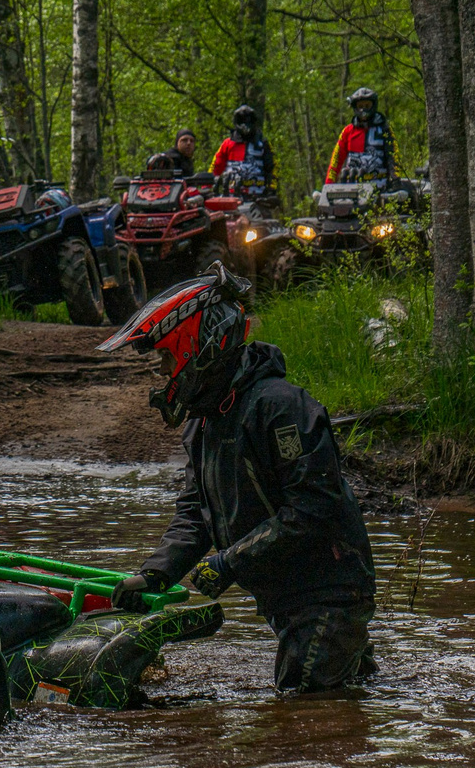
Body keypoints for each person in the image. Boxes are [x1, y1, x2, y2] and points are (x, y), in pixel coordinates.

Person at [102, 270, 376, 691]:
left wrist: (230, 561)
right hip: (290, 596)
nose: (162, 371)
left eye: (167, 359)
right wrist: (156, 574)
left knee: (303, 716)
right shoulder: (205, 421)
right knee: (342, 705)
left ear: (196, 346)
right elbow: (196, 511)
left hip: (327, 593)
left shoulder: (280, 407)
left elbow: (313, 509)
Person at [326, 87, 397, 183]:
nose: (363, 109)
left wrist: (396, 179)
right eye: (360, 106)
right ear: (355, 107)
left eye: (367, 105)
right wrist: (329, 184)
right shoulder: (348, 131)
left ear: (373, 105)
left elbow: (394, 156)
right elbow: (336, 160)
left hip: (379, 184)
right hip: (351, 185)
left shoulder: (385, 129)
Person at [209, 105, 276, 189]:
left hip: (258, 195)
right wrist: (207, 187)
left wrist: (272, 188)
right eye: (242, 121)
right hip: (230, 196)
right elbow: (216, 166)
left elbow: (273, 167)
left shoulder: (263, 144)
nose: (245, 125)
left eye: (249, 121)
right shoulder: (227, 144)